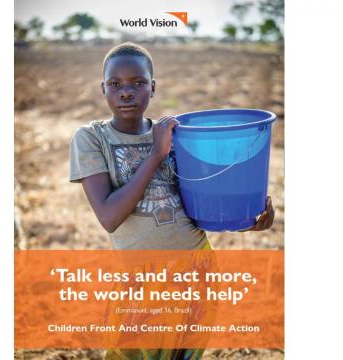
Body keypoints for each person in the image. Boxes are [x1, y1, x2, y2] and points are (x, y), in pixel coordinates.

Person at [69, 42, 275, 359]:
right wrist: (155, 154)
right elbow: (109, 216)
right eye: (115, 84)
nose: (126, 92)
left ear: (152, 87)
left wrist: (248, 221)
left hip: (197, 269)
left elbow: (196, 208)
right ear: (103, 89)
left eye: (138, 83)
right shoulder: (92, 138)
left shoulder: (174, 135)